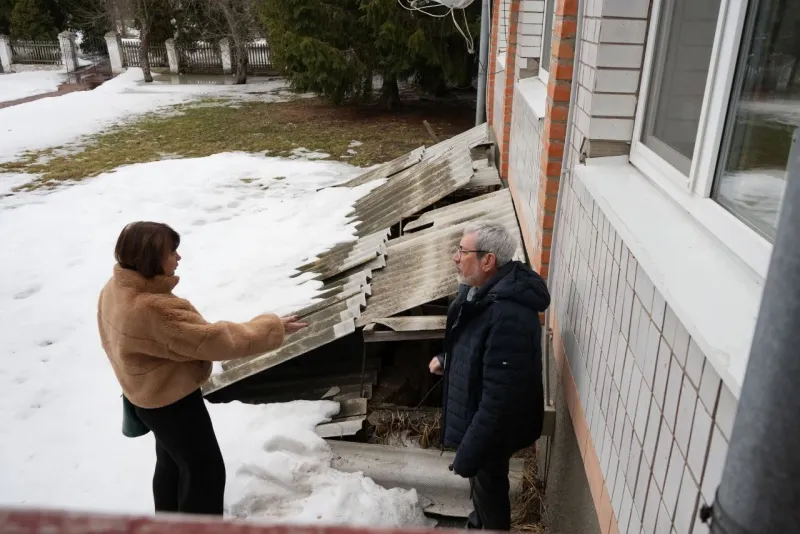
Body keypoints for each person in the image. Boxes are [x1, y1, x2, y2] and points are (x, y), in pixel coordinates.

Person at [97, 221, 307, 516]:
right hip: (173, 404)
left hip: (146, 398)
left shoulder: (116, 288)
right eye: (172, 252)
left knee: (172, 462)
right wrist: (271, 327)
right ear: (150, 258)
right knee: (205, 470)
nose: (178, 257)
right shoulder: (153, 310)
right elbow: (213, 341)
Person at [428, 220, 550, 531]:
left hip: (492, 427)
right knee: (482, 491)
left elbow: (500, 398)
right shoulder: (482, 293)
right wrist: (448, 359)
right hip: (480, 422)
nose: (456, 257)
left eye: (462, 251)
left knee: (490, 492)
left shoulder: (508, 315)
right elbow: (479, 349)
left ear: (488, 260)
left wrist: (470, 450)